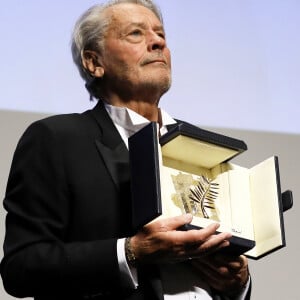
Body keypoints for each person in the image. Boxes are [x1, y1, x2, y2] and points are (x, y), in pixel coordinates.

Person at [0, 1, 251, 299]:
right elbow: (21, 268)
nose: (158, 42)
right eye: (135, 33)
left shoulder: (200, 150)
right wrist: (131, 252)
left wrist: (238, 283)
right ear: (94, 62)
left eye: (161, 35)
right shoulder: (55, 139)